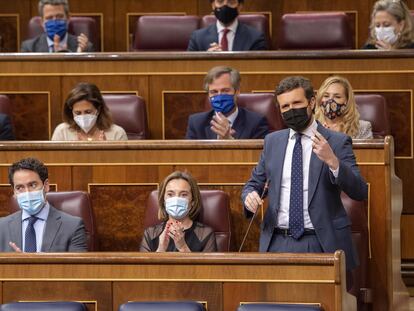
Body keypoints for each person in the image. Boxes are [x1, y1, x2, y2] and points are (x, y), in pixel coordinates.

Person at [241, 76, 368, 271]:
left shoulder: (336, 142)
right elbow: (254, 184)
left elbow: (359, 191)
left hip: (321, 241)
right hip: (277, 242)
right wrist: (250, 195)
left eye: (297, 103)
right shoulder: (272, 142)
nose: (291, 110)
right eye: (285, 107)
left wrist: (333, 162)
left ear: (312, 102)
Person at [0, 157, 87, 252]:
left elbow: (78, 266)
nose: (27, 192)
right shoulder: (2, 227)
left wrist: (31, 264)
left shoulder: (73, 226)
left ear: (46, 186)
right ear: (14, 192)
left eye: (32, 185)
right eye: (20, 187)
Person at [140, 171, 217, 252]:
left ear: (193, 202)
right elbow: (143, 265)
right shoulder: (151, 233)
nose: (176, 199)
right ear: (163, 200)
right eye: (170, 194)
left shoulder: (205, 234)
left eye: (183, 195)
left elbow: (208, 265)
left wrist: (183, 247)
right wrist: (161, 249)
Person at [186, 66, 269, 139]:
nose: (219, 96)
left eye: (225, 91)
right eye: (214, 92)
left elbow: (258, 155)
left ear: (237, 91)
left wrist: (229, 140)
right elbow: (189, 155)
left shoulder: (256, 122)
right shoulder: (196, 123)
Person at [51, 82, 127, 141]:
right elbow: (53, 160)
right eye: (78, 113)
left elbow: (124, 161)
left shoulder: (117, 133)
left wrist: (105, 150)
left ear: (98, 110)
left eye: (88, 112)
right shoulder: (61, 132)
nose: (83, 117)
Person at [187, 0, 267, 51]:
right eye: (220, 1)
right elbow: (190, 67)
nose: (225, 6)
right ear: (213, 5)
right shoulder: (197, 38)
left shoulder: (255, 38)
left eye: (231, 2)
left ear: (239, 7)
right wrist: (207, 59)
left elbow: (258, 68)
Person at [21, 0, 93, 53]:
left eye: (59, 17)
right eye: (49, 18)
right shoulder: (29, 48)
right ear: (42, 22)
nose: (54, 21)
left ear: (68, 18)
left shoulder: (85, 48)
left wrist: (78, 56)